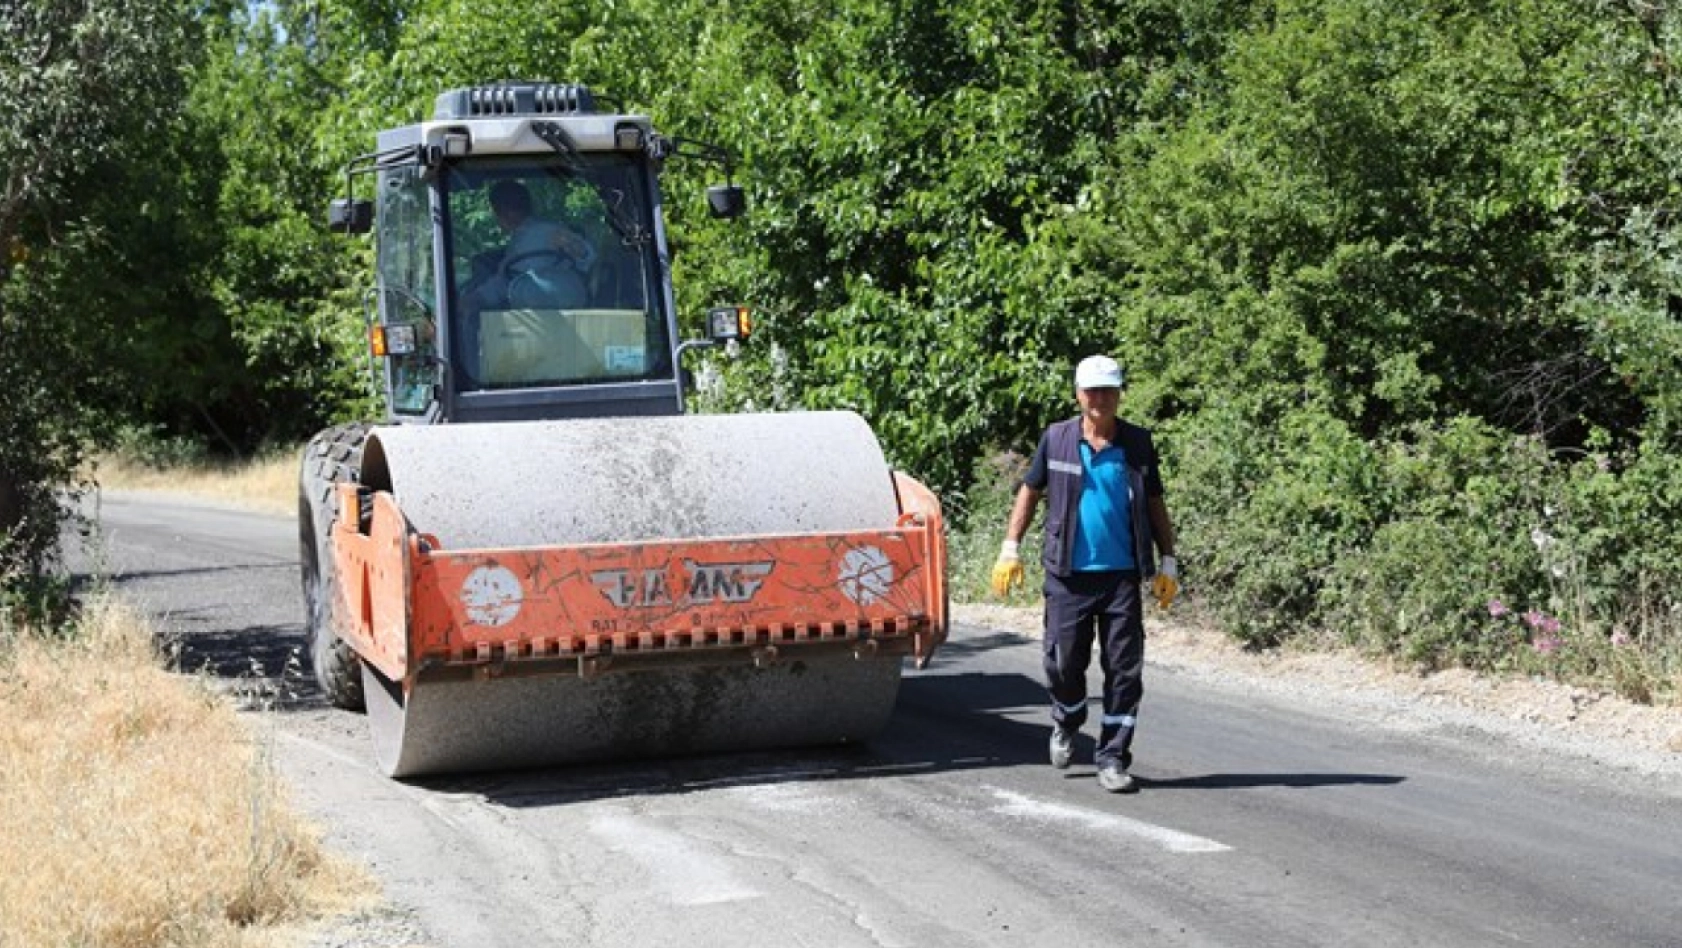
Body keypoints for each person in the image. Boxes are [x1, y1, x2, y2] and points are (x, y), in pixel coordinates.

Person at [990, 354, 1180, 793]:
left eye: (1109, 391)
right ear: (1078, 395)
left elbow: (1154, 503)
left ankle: (1112, 756)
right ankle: (1068, 717)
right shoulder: (1055, 439)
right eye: (1092, 391)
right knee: (1062, 664)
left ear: (1119, 394)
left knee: (1125, 671)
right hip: (1067, 576)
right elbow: (1029, 492)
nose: (1101, 399)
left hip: (1120, 578)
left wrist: (1167, 559)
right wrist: (1009, 548)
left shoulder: (1137, 443)